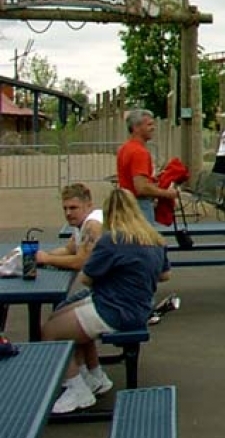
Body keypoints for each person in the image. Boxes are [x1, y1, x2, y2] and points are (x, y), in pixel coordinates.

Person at [42, 188, 171, 414]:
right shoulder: (154, 239)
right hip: (139, 307)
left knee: (50, 331)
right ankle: (93, 376)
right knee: (63, 316)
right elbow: (164, 275)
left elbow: (86, 278)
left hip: (113, 309)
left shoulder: (111, 240)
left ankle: (77, 390)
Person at [116, 108, 178, 225]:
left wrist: (151, 178)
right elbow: (141, 188)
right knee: (145, 241)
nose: (153, 128)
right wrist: (168, 193)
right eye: (149, 124)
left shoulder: (124, 148)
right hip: (139, 206)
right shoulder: (140, 152)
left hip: (126, 203)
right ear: (136, 128)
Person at [36, 183, 103, 281]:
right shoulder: (81, 224)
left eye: (73, 208)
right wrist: (38, 256)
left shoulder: (92, 225)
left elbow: (80, 262)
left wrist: (46, 259)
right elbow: (69, 250)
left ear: (89, 206)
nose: (68, 213)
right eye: (65, 208)